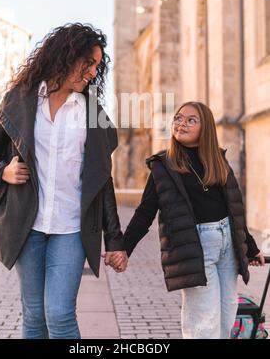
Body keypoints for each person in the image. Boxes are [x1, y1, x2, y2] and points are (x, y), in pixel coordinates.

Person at [0, 22, 127, 339]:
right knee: (34, 317)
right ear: (66, 55)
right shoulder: (19, 99)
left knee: (59, 316)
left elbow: (103, 179)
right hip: (25, 226)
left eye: (97, 67)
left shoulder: (92, 112)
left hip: (71, 228)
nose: (91, 73)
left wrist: (115, 241)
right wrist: (2, 170)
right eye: (89, 63)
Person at [107, 101, 265, 339]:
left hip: (227, 246)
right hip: (195, 248)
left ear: (206, 129)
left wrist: (251, 248)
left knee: (225, 317)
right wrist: (123, 248)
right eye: (179, 118)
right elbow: (144, 213)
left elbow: (234, 211)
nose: (181, 123)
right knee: (203, 322)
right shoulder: (163, 166)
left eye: (191, 120)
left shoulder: (218, 162)